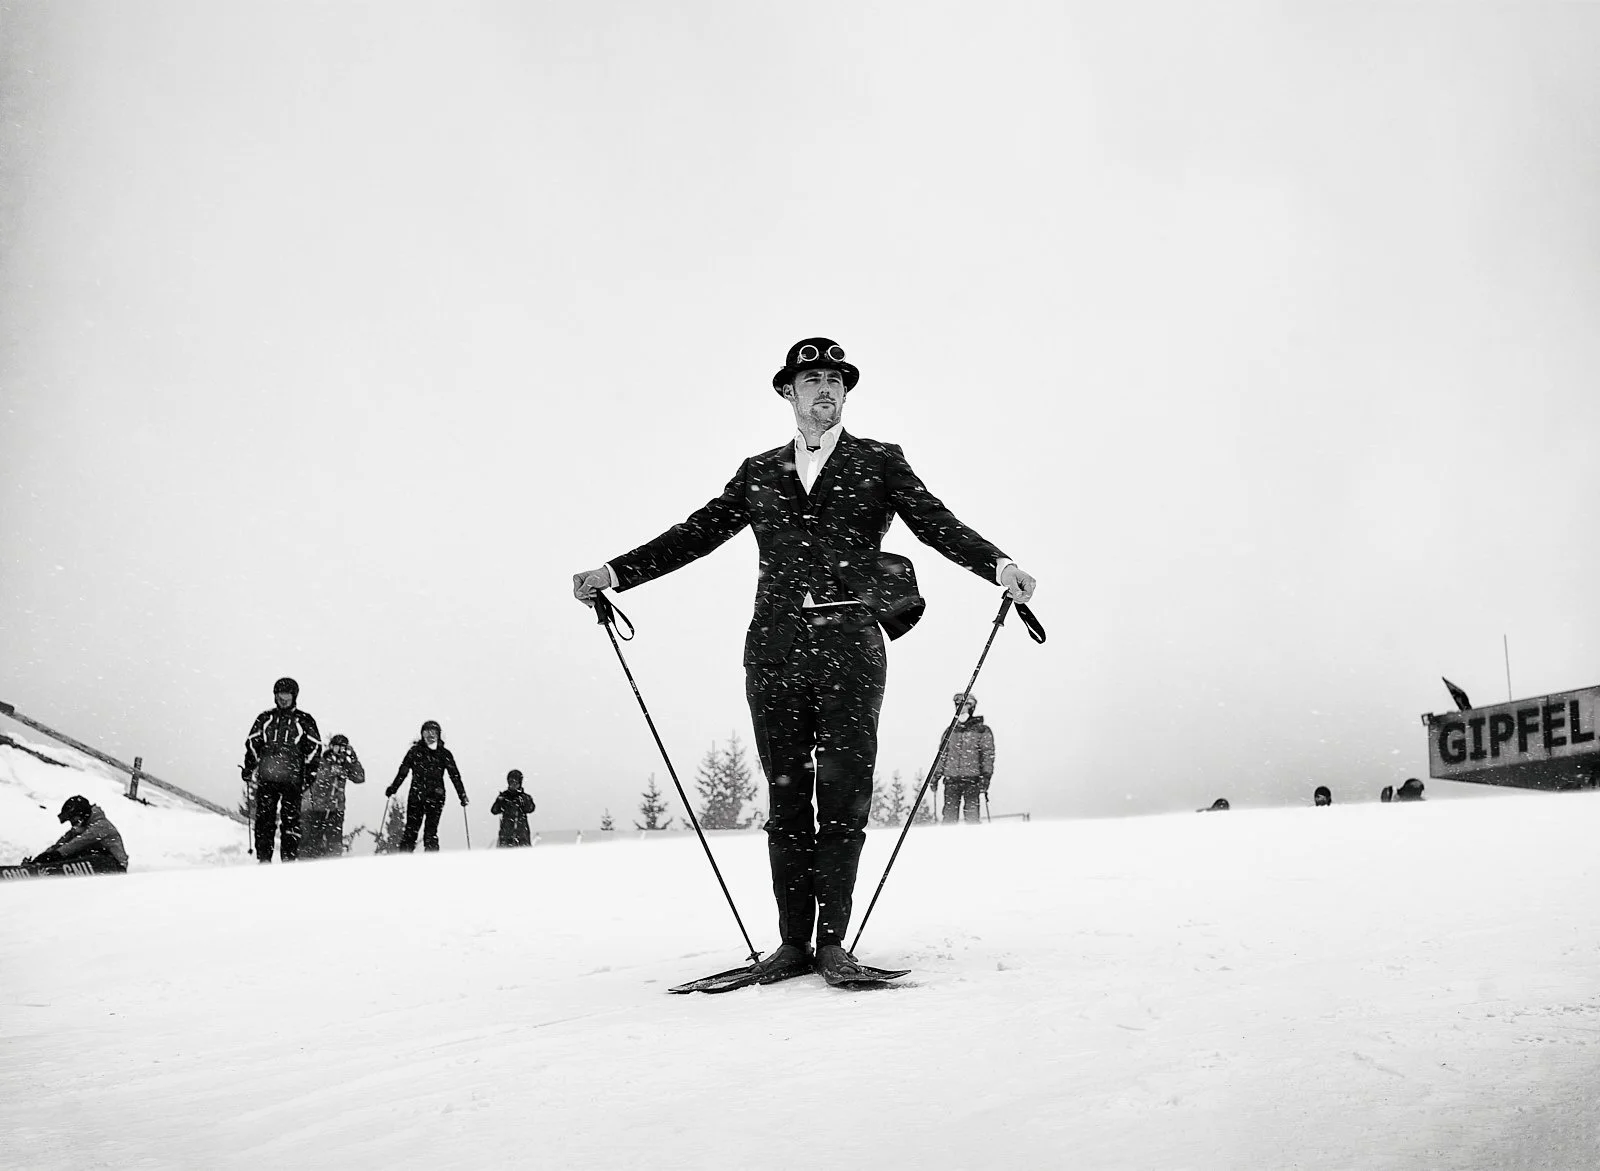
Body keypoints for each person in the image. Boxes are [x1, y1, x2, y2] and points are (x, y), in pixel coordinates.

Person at [572, 336, 1037, 984]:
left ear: (846, 392)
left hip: (850, 650)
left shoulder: (880, 462)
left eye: (835, 379)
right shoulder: (758, 472)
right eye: (811, 378)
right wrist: (615, 572)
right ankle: (793, 943)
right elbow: (697, 532)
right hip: (775, 652)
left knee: (843, 800)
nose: (825, 388)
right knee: (787, 803)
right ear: (788, 393)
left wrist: (1001, 565)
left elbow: (936, 522)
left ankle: (833, 942)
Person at [241, 677, 324, 863]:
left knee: (291, 822)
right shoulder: (265, 718)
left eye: (287, 694)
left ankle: (288, 860)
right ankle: (264, 860)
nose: (283, 698)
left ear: (294, 696)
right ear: (275, 695)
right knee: (264, 821)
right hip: (267, 779)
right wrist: (249, 767)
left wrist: (310, 774)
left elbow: (315, 748)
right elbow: (253, 743)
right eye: (279, 694)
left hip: (293, 781)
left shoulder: (304, 720)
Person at [385, 720, 467, 852]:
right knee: (411, 831)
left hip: (436, 796)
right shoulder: (415, 751)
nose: (430, 735)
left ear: (438, 735)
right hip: (416, 796)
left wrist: (462, 795)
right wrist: (394, 787)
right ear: (422, 734)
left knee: (430, 832)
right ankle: (404, 861)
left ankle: (430, 861)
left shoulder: (444, 754)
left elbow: (455, 776)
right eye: (427, 732)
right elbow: (403, 772)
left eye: (433, 732)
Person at [24, 796, 129, 874]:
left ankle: (54, 870)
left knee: (82, 853)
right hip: (96, 862)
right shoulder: (82, 826)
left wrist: (57, 855)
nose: (73, 824)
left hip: (114, 866)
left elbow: (79, 842)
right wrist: (44, 856)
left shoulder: (101, 825)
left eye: (73, 819)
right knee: (72, 853)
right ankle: (48, 868)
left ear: (82, 815)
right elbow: (63, 842)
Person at [302, 733, 366, 857]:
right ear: (331, 747)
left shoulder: (345, 765)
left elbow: (360, 777)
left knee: (334, 845)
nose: (340, 751)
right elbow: (317, 778)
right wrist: (333, 771)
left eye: (343, 748)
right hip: (317, 808)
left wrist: (353, 759)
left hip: (336, 809)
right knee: (311, 844)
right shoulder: (321, 761)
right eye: (337, 747)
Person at [935, 692, 995, 825]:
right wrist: (935, 776)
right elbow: (942, 755)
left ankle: (973, 843)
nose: (961, 709)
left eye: (966, 706)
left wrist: (986, 776)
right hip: (951, 780)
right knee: (949, 817)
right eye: (959, 706)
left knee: (972, 817)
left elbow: (987, 755)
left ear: (972, 708)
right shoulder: (950, 731)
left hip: (972, 780)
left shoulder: (982, 730)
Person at [491, 770, 536, 847]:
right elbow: (494, 810)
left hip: (522, 835)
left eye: (516, 783)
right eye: (511, 782)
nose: (513, 785)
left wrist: (523, 801)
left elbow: (531, 808)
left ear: (520, 783)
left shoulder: (525, 797)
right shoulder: (504, 797)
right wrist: (500, 802)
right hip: (506, 834)